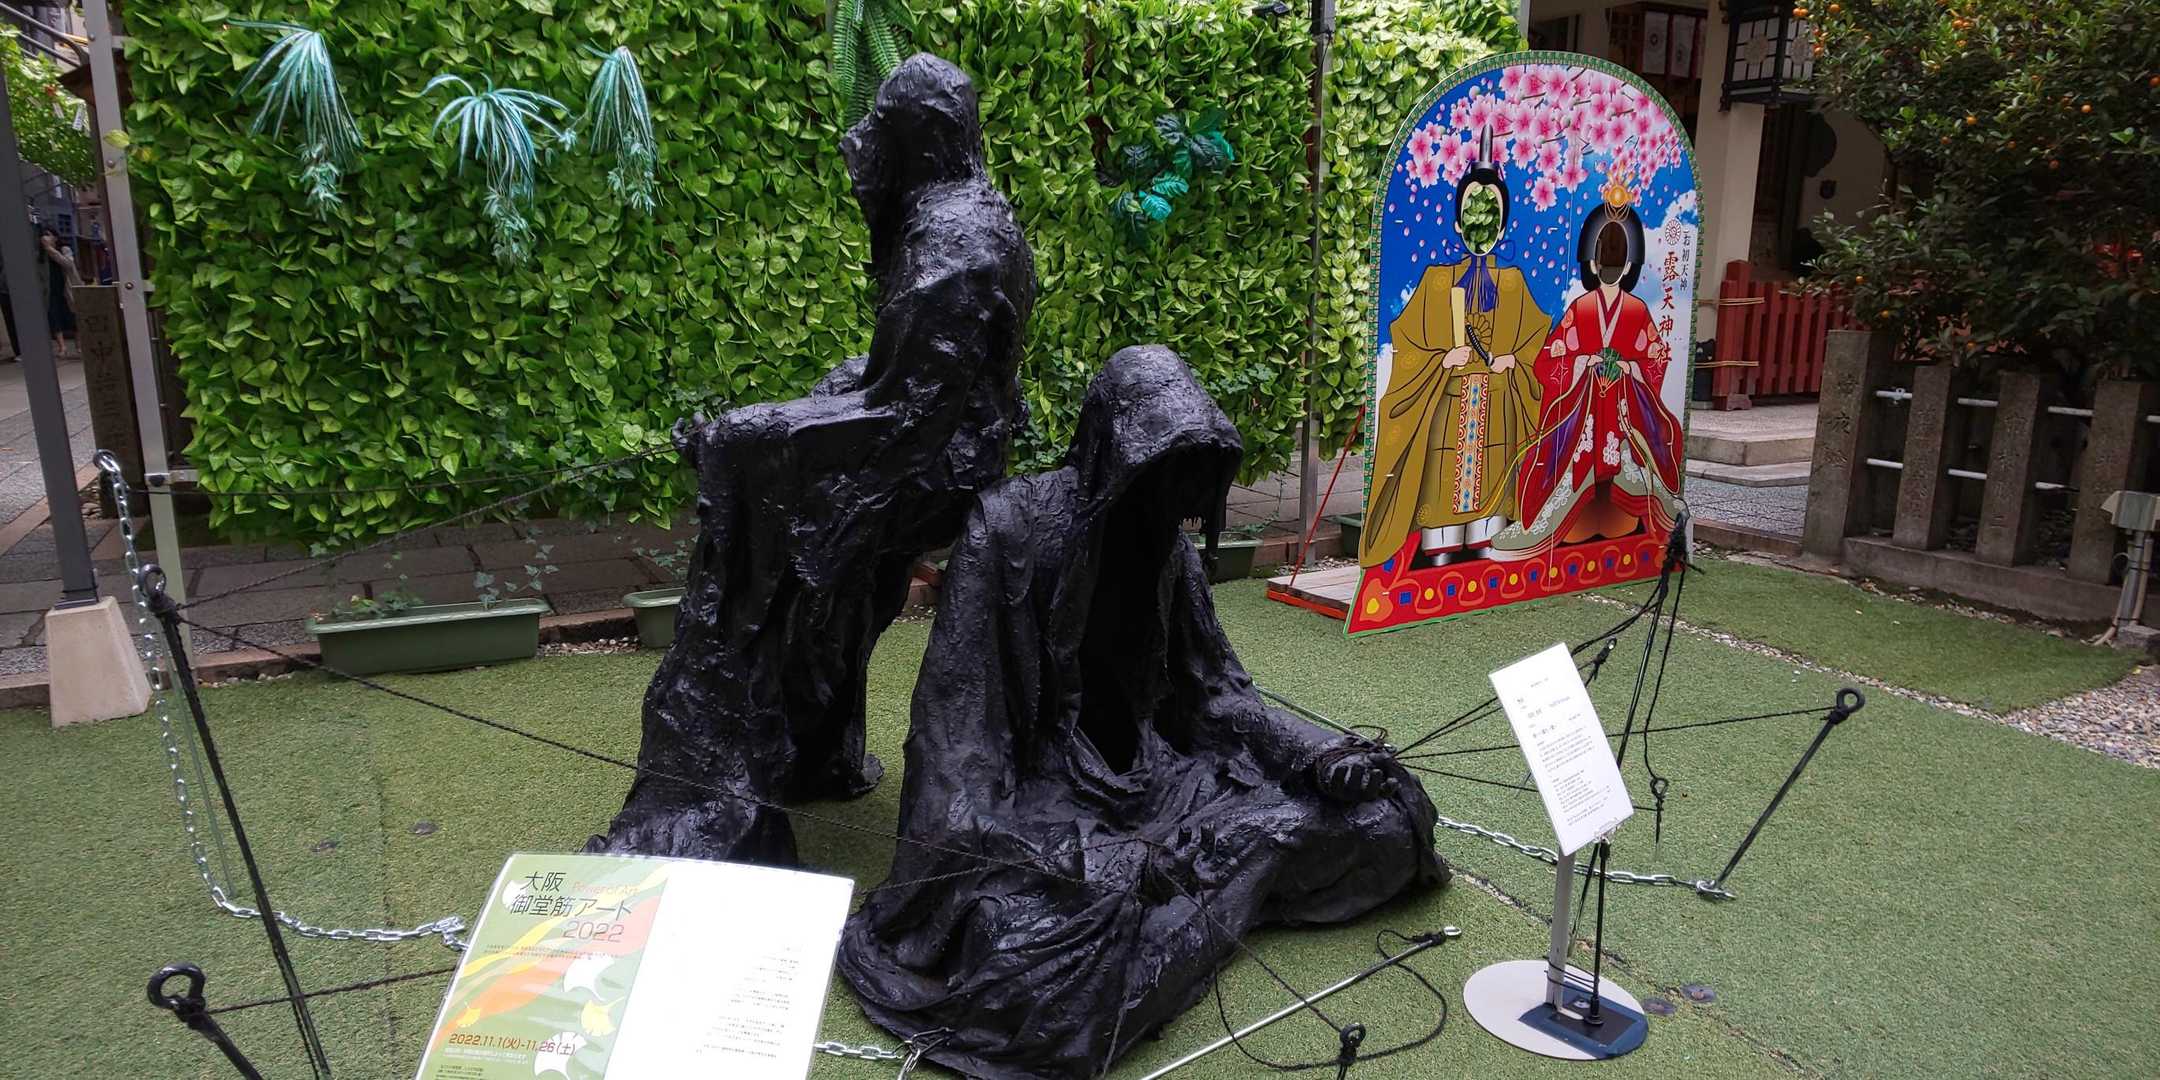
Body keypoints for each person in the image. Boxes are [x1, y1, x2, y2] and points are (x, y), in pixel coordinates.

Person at [842, 346, 1444, 1080]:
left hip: (1168, 791)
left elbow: (1218, 697)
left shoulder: (1169, 549)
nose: (1180, 498)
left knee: (1389, 816)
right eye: (1165, 468)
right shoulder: (1005, 532)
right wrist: (1087, 857)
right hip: (1044, 810)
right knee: (1039, 976)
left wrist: (1316, 753)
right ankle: (1240, 872)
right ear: (1112, 455)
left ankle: (1227, 874)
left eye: (1192, 476)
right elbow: (953, 767)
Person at [586, 55, 1033, 865]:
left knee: (762, 497)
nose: (865, 157)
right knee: (781, 449)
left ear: (916, 143)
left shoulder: (953, 235)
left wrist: (745, 433)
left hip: (939, 466)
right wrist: (797, 411)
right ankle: (801, 743)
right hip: (949, 447)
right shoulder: (969, 213)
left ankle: (713, 785)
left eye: (882, 135)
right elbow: (902, 372)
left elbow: (902, 412)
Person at [1361, 158, 1550, 573]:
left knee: (1490, 506)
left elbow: (1537, 341)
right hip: (1446, 407)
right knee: (1441, 499)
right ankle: (1440, 555)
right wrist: (1442, 359)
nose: (1482, 227)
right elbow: (1407, 340)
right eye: (1473, 215)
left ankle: (1484, 553)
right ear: (1459, 224)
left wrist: (1513, 360)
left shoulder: (1514, 283)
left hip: (1496, 409)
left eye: (1491, 217)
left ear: (1502, 227)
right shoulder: (1436, 281)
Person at [1491, 186, 1683, 561]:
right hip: (1584, 410)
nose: (1609, 268)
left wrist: (1629, 367)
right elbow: (1551, 358)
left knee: (1637, 452)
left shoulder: (1636, 311)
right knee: (1565, 457)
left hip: (1624, 407)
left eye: (1617, 260)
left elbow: (1655, 358)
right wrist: (1583, 363)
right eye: (1604, 259)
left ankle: (1636, 478)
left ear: (1628, 267)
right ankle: (1544, 516)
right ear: (1592, 265)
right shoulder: (1581, 308)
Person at [39, 227, 80, 359]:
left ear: (55, 237)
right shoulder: (41, 253)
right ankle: (62, 347)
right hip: (51, 290)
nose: (45, 238)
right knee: (54, 317)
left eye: (48, 235)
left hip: (67, 288)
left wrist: (50, 249)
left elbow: (68, 264)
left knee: (73, 317)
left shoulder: (65, 249)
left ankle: (79, 345)